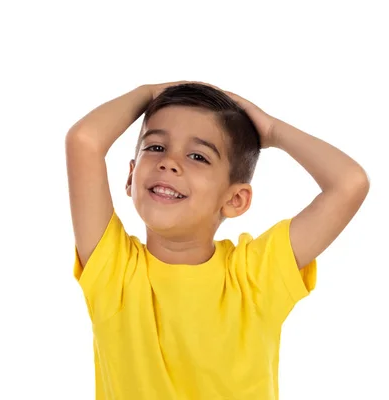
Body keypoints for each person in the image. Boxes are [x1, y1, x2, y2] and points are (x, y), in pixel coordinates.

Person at [65, 81, 370, 400]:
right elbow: (83, 141)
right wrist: (149, 93)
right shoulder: (114, 272)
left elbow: (349, 184)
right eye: (155, 147)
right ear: (131, 177)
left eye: (198, 156)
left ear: (235, 199)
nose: (168, 162)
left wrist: (272, 130)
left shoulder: (253, 278)